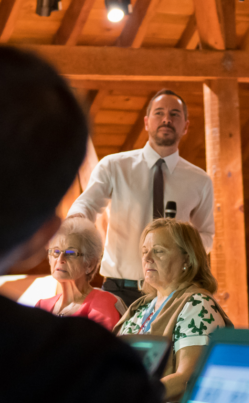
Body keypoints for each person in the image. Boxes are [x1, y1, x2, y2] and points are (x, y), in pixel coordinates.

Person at [0, 46, 162, 402]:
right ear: (41, 237)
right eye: (56, 252)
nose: (58, 260)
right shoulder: (86, 368)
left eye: (66, 252)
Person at [68, 89, 214, 306]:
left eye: (175, 114)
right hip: (119, 292)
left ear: (186, 126)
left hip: (174, 292)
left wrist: (182, 252)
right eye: (159, 113)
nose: (166, 119)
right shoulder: (114, 166)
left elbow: (206, 234)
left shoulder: (200, 180)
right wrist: (75, 226)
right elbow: (87, 204)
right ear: (146, 122)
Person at [115, 218, 233, 400]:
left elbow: (187, 378)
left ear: (187, 258)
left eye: (158, 251)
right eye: (144, 251)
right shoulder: (141, 307)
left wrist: (136, 396)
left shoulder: (197, 304)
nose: (147, 258)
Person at [35, 218, 125, 330]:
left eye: (71, 253)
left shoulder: (103, 302)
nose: (60, 259)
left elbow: (98, 345)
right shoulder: (42, 306)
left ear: (90, 264)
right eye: (56, 251)